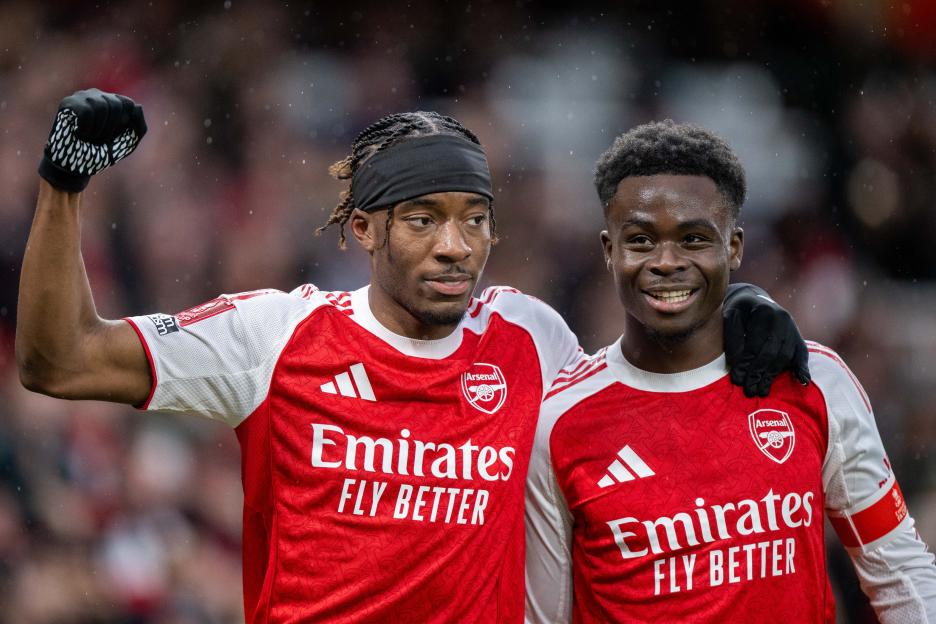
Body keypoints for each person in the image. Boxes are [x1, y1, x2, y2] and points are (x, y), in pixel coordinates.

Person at [17, 90, 806, 623]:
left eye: (474, 220)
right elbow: (60, 360)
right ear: (363, 230)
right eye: (423, 220)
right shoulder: (274, 336)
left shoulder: (529, 336)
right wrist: (63, 188)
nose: (455, 246)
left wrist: (733, 309)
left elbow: (641, 402)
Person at [524, 120, 936, 623]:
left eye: (695, 239)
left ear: (734, 247)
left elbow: (900, 573)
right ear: (609, 250)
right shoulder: (560, 425)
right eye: (640, 240)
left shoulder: (813, 380)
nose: (667, 261)